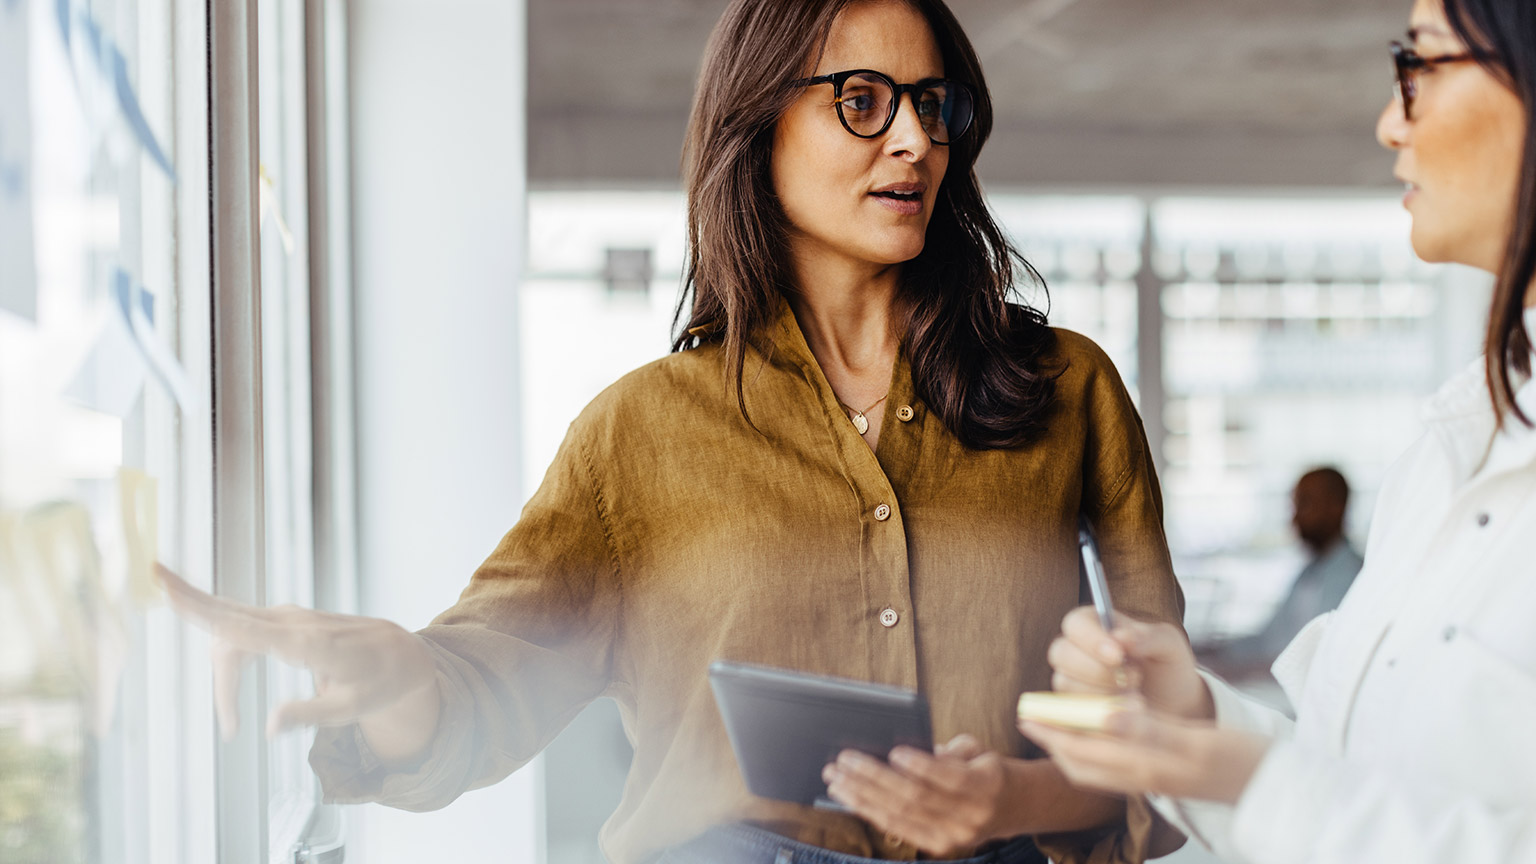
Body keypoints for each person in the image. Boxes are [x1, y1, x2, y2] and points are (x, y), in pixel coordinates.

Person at [158, 1, 1187, 863]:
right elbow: (483, 692)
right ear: (758, 125)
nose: (915, 141)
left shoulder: (1066, 388)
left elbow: (1173, 735)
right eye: (863, 103)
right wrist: (400, 680)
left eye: (935, 105)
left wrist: (1011, 800)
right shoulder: (639, 431)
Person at [1017, 1, 1536, 862]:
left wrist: (1257, 788)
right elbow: (1343, 773)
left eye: (1423, 66)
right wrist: (1191, 713)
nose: (1386, 122)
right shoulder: (1450, 448)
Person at [1197, 468, 1363, 683]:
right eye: (1295, 506)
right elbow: (1267, 640)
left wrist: (1238, 670)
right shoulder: (1309, 573)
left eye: (1305, 504)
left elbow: (1315, 660)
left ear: (1336, 506)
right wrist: (1209, 651)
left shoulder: (1352, 578)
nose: (1294, 518)